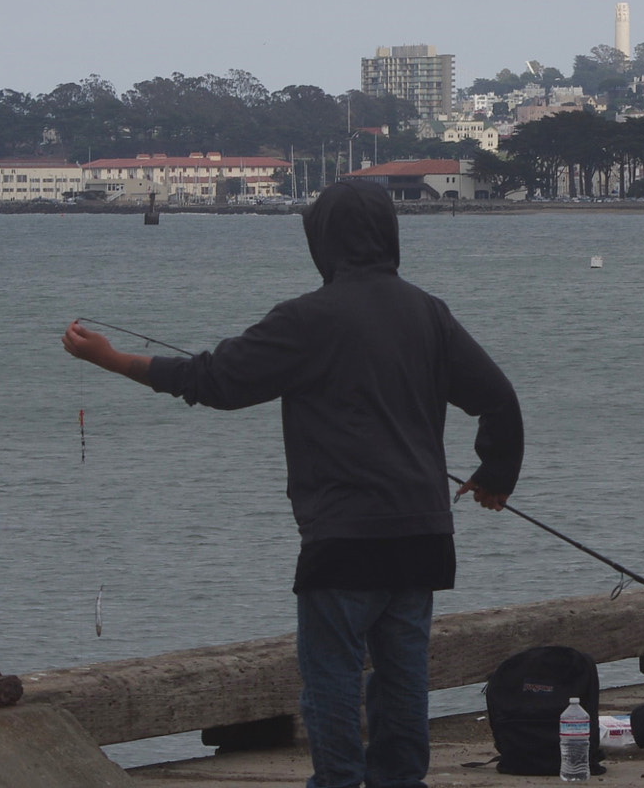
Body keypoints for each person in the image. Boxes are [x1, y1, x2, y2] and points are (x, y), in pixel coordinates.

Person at [62, 180, 524, 788]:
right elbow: (498, 399)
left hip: (344, 538)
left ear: (321, 241)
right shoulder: (428, 312)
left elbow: (217, 381)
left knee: (332, 681)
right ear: (389, 234)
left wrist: (114, 361)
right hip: (422, 534)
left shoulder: (308, 319)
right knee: (404, 681)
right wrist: (495, 475)